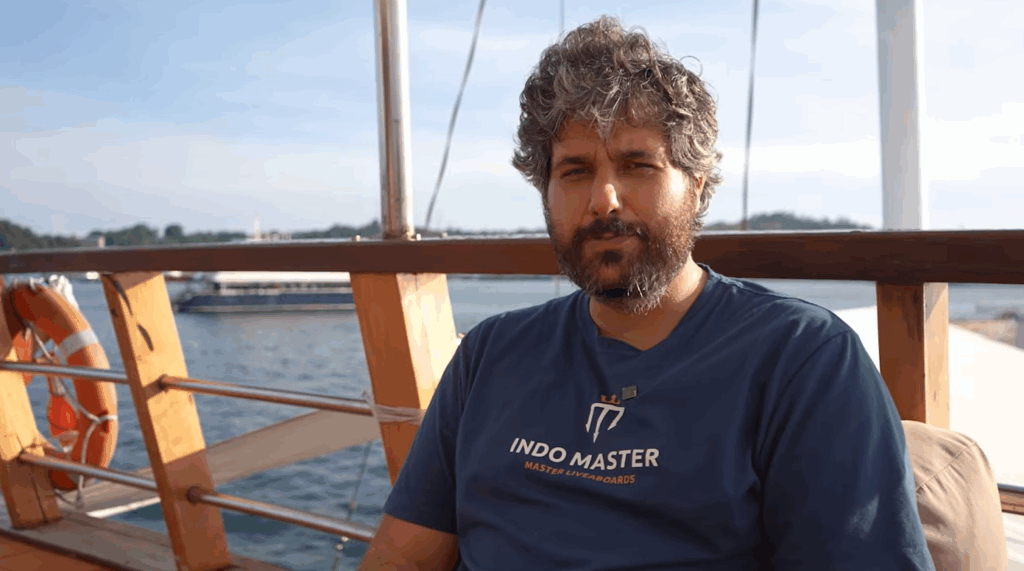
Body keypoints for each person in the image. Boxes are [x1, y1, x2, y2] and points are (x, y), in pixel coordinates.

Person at [359, 16, 935, 571]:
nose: (603, 199)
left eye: (638, 165)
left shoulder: (802, 359)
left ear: (697, 187)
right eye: (575, 171)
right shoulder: (490, 355)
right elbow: (400, 555)